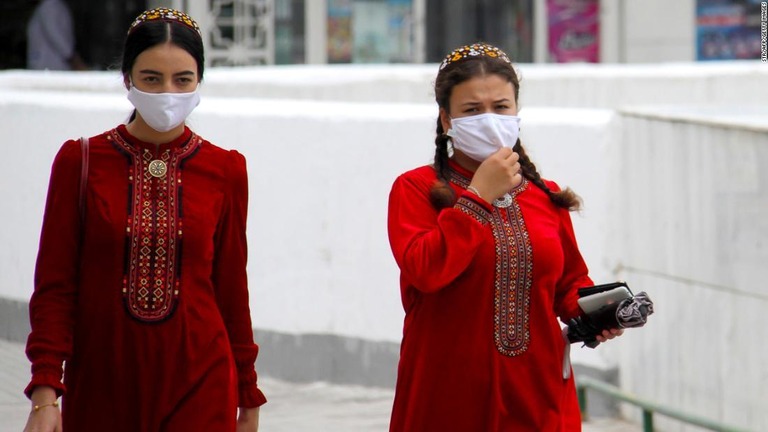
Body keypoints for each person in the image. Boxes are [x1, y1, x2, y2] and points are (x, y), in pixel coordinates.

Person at [23, 8, 265, 432]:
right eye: (152, 78)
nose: (167, 92)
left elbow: (231, 291)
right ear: (127, 79)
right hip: (103, 384)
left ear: (199, 82)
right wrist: (45, 393)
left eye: (182, 80)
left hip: (202, 383)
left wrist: (248, 395)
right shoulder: (79, 162)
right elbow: (55, 288)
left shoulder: (226, 170)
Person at [386, 42, 622, 431]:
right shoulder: (415, 189)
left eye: (501, 107)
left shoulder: (545, 193)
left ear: (517, 111)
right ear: (447, 120)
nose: (490, 119)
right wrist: (478, 198)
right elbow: (425, 270)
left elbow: (567, 285)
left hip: (536, 393)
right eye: (472, 110)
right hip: (448, 396)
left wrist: (596, 313)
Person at [26, 0, 87, 71]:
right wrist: (74, 59)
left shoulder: (50, 6)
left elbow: (57, 37)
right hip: (48, 66)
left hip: (49, 66)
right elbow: (57, 37)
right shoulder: (49, 6)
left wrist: (73, 59)